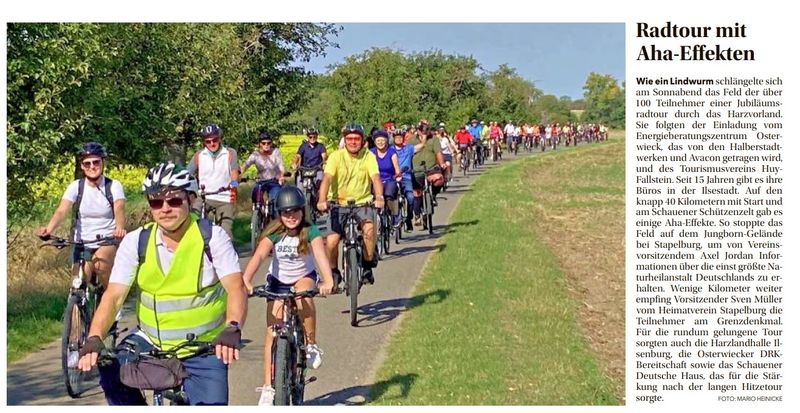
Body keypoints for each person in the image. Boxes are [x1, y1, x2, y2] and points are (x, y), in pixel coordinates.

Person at [76, 162, 247, 405]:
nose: (165, 209)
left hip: (204, 346)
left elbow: (236, 288)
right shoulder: (136, 241)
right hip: (150, 341)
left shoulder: (212, 237)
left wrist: (232, 327)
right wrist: (95, 337)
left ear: (190, 199)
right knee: (109, 367)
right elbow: (113, 296)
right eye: (156, 202)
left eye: (174, 201)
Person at [242, 186, 334, 406]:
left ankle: (310, 344)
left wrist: (328, 280)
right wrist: (246, 280)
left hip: (303, 277)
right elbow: (259, 256)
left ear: (302, 211)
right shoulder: (274, 233)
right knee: (272, 333)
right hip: (278, 281)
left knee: (302, 296)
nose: (291, 217)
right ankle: (268, 387)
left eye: (295, 211)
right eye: (286, 212)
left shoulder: (310, 231)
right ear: (279, 213)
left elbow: (320, 256)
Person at [37, 142, 126, 290]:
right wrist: (48, 229)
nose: (92, 167)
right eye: (87, 163)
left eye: (96, 162)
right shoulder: (76, 186)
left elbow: (119, 207)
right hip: (81, 242)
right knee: (77, 282)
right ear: (82, 166)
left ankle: (111, 298)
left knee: (101, 265)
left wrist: (120, 228)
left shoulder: (113, 186)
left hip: (106, 239)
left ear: (102, 163)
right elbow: (61, 210)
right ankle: (77, 303)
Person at [316, 123, 384, 287]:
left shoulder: (368, 156)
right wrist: (322, 200)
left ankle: (367, 265)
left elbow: (375, 178)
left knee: (369, 231)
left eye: (356, 139)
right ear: (344, 140)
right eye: (349, 139)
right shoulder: (336, 156)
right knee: (331, 242)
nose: (353, 142)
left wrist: (379, 197)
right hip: (338, 204)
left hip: (363, 203)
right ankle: (334, 271)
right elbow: (327, 178)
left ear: (362, 140)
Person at [187, 123, 240, 237]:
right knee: (192, 221)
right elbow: (187, 173)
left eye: (214, 140)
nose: (212, 144)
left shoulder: (230, 153)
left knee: (225, 232)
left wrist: (234, 183)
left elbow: (234, 171)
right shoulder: (199, 155)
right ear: (204, 142)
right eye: (208, 141)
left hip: (224, 197)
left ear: (219, 138)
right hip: (204, 196)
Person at [241, 132, 286, 219]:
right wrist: (239, 175)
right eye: (264, 143)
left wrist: (281, 176)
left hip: (274, 181)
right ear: (260, 144)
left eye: (269, 143)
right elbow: (245, 165)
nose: (266, 145)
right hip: (261, 181)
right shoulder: (255, 154)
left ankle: (275, 221)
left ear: (271, 143)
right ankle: (258, 214)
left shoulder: (275, 152)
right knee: (255, 194)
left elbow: (281, 166)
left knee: (275, 200)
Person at [408, 128, 446, 227]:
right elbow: (407, 153)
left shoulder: (434, 139)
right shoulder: (411, 140)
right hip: (416, 169)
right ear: (418, 130)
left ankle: (433, 195)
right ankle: (417, 215)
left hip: (431, 168)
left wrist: (442, 163)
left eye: (426, 130)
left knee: (439, 179)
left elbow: (438, 152)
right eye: (422, 130)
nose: (424, 132)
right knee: (417, 193)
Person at [369, 129, 403, 226]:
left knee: (389, 196)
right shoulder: (371, 153)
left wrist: (398, 175)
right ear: (374, 142)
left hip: (389, 179)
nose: (380, 143)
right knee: (371, 197)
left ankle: (394, 217)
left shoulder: (391, 152)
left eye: (382, 140)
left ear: (386, 141)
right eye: (378, 140)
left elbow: (397, 168)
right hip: (375, 180)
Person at [392, 128, 415, 231]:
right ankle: (393, 220)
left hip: (406, 176)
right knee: (391, 198)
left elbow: (420, 146)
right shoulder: (390, 150)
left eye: (400, 137)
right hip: (393, 177)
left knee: (410, 197)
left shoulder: (409, 148)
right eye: (396, 137)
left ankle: (409, 218)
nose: (398, 139)